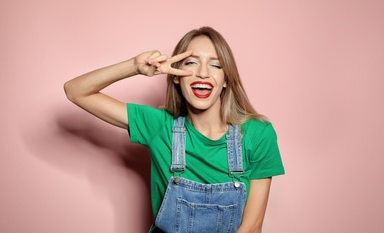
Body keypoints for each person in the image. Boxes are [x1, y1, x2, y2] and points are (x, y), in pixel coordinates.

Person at [64, 26, 284, 232]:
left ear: (226, 81)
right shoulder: (159, 125)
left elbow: (252, 228)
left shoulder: (258, 133)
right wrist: (134, 66)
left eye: (216, 65)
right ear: (176, 77)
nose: (203, 73)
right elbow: (76, 91)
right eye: (191, 63)